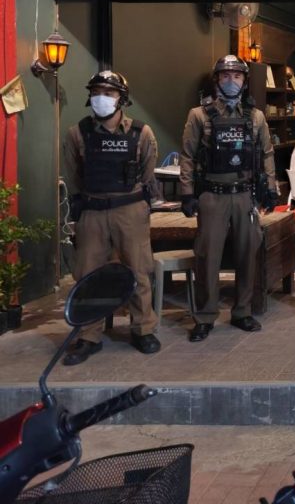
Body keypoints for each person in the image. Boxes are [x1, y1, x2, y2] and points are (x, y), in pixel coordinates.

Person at [62, 70, 160, 365]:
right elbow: (73, 175)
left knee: (138, 270)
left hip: (129, 209)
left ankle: (142, 329)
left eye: (109, 93)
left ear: (122, 98)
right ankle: (88, 335)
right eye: (96, 93)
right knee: (87, 273)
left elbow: (147, 174)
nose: (101, 98)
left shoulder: (141, 133)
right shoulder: (77, 133)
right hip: (92, 210)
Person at [179, 55, 278, 342]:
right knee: (208, 257)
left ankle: (242, 311)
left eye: (237, 76)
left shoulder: (255, 117)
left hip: (245, 194)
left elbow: (267, 154)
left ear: (244, 81)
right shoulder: (199, 115)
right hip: (213, 194)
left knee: (248, 253)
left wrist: (270, 189)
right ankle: (205, 316)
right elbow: (187, 155)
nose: (231, 81)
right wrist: (187, 193)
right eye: (225, 76)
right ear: (217, 80)